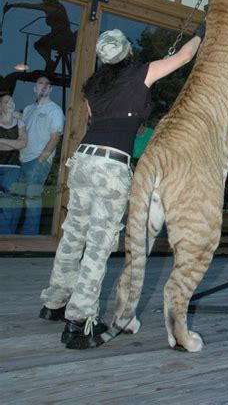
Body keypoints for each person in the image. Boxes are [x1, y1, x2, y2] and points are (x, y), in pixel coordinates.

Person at [39, 27, 203, 350]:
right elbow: (184, 56)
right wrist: (201, 31)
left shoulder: (92, 88)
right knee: (99, 245)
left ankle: (55, 302)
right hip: (111, 165)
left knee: (73, 234)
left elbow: (93, 122)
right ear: (128, 52)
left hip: (83, 160)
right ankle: (78, 321)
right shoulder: (140, 74)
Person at [11, 76, 65, 235]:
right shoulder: (28, 109)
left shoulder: (54, 110)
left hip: (37, 162)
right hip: (22, 160)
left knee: (32, 199)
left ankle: (30, 240)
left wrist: (41, 159)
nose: (44, 86)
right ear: (34, 88)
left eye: (47, 84)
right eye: (40, 83)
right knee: (17, 200)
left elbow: (55, 137)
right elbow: (15, 119)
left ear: (51, 90)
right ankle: (12, 236)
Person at [3, 0, 77, 76]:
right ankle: (49, 63)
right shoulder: (60, 7)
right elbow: (28, 5)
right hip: (62, 34)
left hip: (59, 35)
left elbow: (29, 6)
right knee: (42, 43)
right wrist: (12, 5)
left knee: (39, 44)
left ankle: (49, 63)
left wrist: (12, 5)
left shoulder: (49, 7)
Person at [0, 94, 27, 233]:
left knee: (7, 204)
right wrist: (13, 144)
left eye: (12, 101)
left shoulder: (20, 123)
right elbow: (17, 144)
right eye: (6, 101)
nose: (10, 103)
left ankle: (5, 238)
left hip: (12, 167)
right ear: (1, 106)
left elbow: (22, 143)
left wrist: (2, 141)